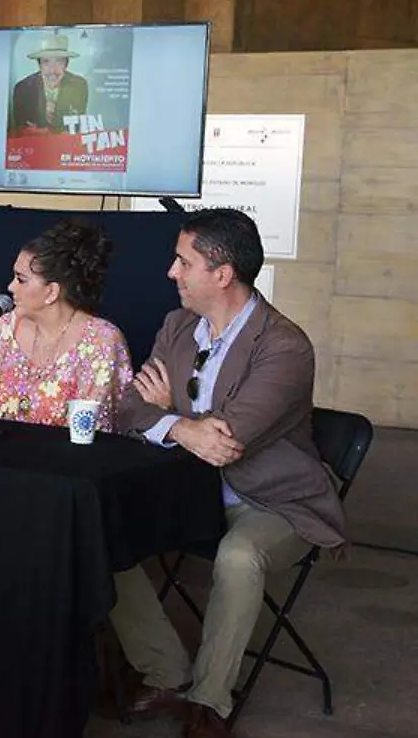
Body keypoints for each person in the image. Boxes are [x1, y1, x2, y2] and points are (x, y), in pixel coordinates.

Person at [109, 209, 346, 738]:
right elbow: (128, 408)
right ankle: (166, 672)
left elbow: (227, 441)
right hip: (188, 491)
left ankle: (209, 701)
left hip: (273, 501)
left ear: (222, 274)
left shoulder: (284, 346)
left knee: (239, 557)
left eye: (183, 261)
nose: (171, 272)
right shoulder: (178, 326)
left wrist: (170, 417)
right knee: (99, 530)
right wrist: (184, 426)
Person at [0, 219, 131, 430]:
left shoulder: (101, 342)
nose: (10, 287)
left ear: (51, 292)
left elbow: (96, 430)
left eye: (21, 279)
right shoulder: (0, 330)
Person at [9, 34, 89, 135]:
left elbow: (77, 124)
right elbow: (20, 129)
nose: (52, 70)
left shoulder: (79, 85)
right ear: (39, 64)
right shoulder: (23, 88)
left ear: (66, 64)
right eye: (46, 62)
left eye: (59, 62)